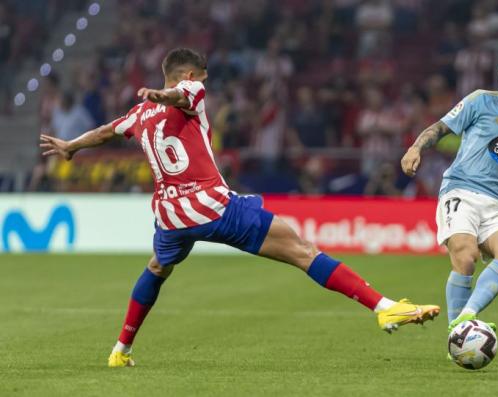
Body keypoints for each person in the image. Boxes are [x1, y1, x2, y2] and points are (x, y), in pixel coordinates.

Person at [39, 48, 439, 368]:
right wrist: (168, 95)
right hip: (210, 205)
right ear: (191, 77)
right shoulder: (190, 92)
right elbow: (182, 96)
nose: (204, 85)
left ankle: (120, 349)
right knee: (303, 251)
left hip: (169, 216)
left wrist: (72, 145)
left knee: (157, 268)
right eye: (203, 79)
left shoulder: (139, 113)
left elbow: (109, 131)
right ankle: (385, 308)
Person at [400, 45, 498, 339]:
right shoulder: (481, 100)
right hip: (460, 189)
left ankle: (464, 321)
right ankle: (459, 331)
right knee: (465, 254)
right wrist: (415, 148)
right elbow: (439, 128)